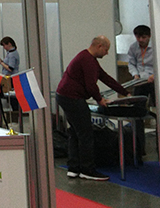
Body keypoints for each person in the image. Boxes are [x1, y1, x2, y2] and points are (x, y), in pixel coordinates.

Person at [55, 35, 130, 182]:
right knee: (86, 134)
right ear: (99, 46)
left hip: (64, 96)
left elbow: (105, 78)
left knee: (75, 133)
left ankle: (74, 168)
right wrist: (99, 99)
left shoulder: (89, 59)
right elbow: (91, 85)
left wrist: (124, 92)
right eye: (106, 50)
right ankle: (87, 169)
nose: (107, 53)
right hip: (72, 98)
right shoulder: (87, 60)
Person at [0, 36, 20, 127]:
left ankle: (15, 117)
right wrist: (1, 60)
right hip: (7, 78)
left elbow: (10, 68)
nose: (4, 48)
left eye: (4, 45)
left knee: (12, 99)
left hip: (11, 78)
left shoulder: (13, 54)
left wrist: (0, 62)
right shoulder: (10, 53)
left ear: (9, 44)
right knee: (10, 99)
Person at [127, 24, 156, 105]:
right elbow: (131, 63)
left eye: (143, 37)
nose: (140, 40)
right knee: (138, 104)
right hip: (140, 80)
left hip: (153, 79)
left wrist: (154, 75)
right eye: (138, 37)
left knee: (156, 103)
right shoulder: (133, 47)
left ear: (149, 36)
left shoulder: (156, 46)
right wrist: (135, 74)